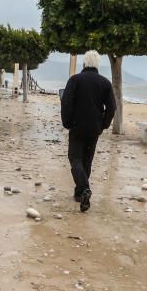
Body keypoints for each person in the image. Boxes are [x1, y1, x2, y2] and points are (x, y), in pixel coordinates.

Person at [60, 50, 116, 212]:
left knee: (74, 158)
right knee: (87, 160)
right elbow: (112, 108)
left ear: (83, 64)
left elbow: (66, 103)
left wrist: (67, 122)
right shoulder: (105, 83)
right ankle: (79, 194)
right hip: (94, 129)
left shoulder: (75, 80)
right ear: (98, 65)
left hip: (77, 126)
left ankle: (84, 189)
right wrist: (103, 125)